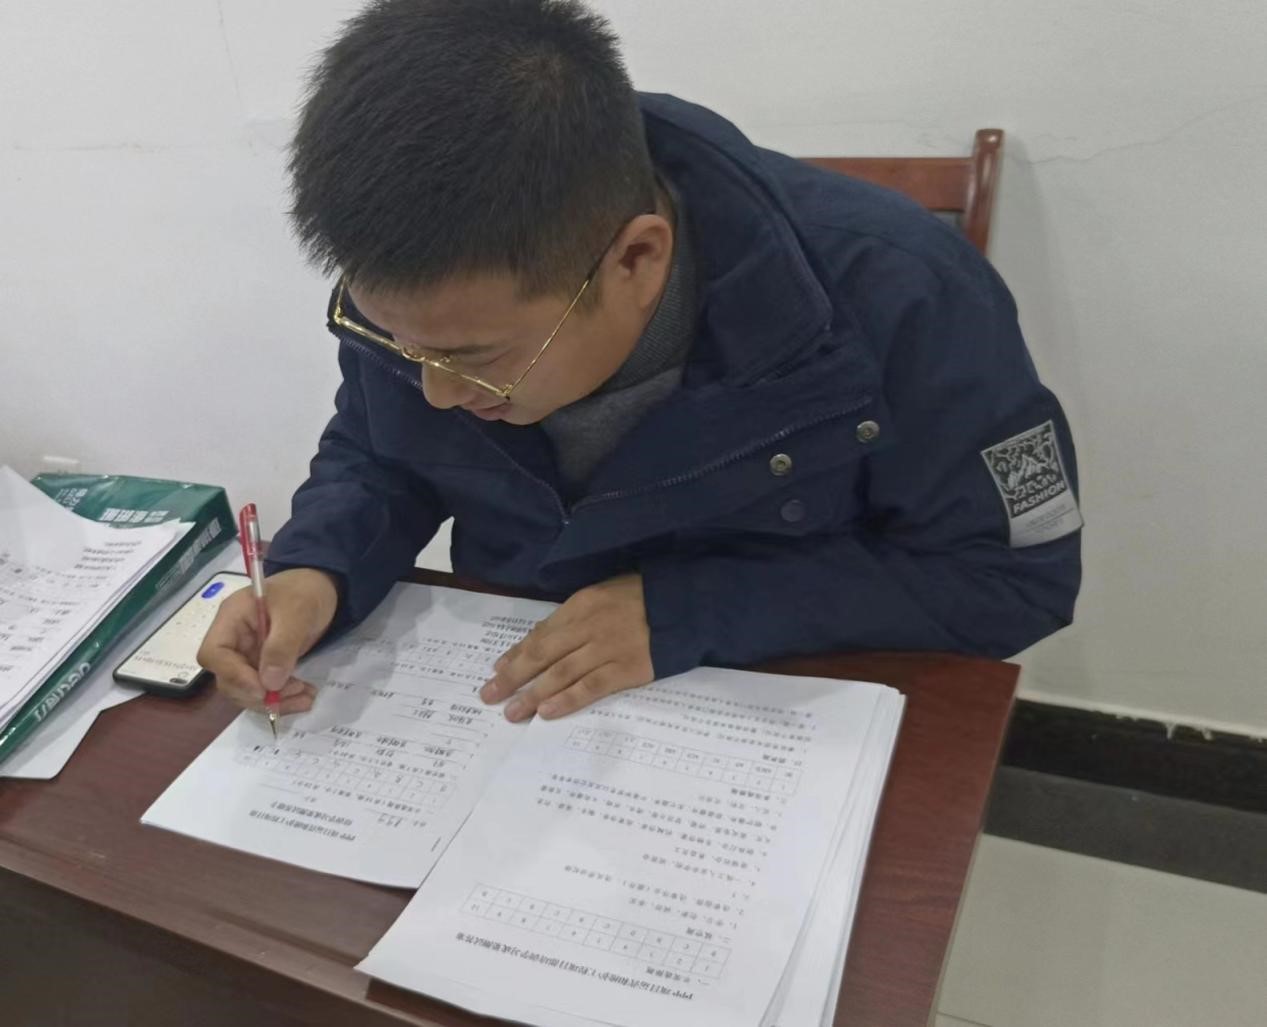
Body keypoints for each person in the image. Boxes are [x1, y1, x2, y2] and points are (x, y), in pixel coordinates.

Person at [199, 0, 1082, 725]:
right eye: (401, 344)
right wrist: (317, 569)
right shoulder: (433, 306)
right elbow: (380, 454)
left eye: (475, 359)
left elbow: (1008, 580)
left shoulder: (907, 294)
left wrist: (691, 608)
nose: (434, 389)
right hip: (508, 707)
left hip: (766, 710)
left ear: (636, 259)